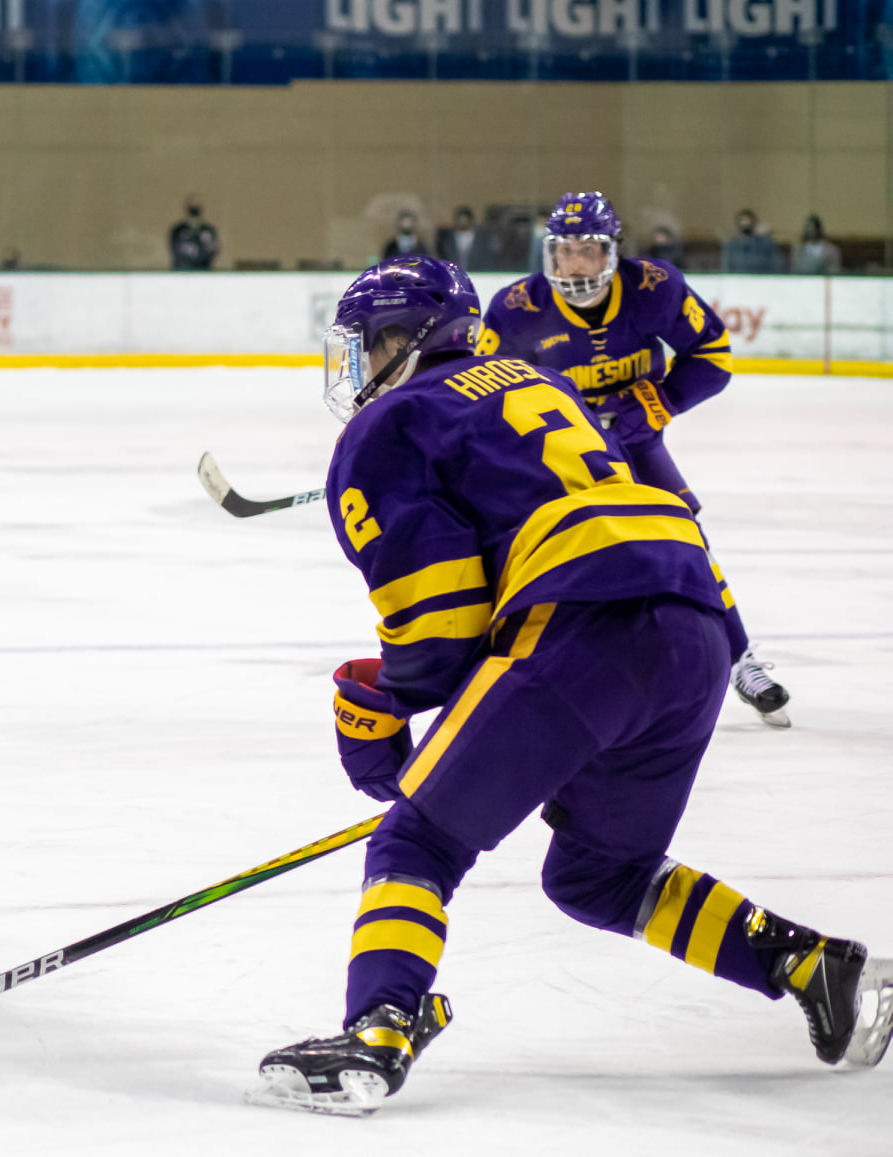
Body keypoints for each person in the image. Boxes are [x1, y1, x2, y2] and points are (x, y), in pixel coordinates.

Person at [246, 256, 893, 1118]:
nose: (358, 366)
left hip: (587, 622)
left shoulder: (387, 426)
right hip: (693, 621)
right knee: (599, 873)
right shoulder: (539, 380)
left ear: (408, 340)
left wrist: (378, 702)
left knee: (418, 840)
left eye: (370, 345)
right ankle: (816, 967)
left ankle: (379, 1027)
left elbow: (438, 632)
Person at [476, 192, 790, 726]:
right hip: (558, 451)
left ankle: (739, 658)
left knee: (684, 539)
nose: (575, 263)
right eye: (564, 251)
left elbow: (712, 356)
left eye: (588, 251)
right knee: (534, 551)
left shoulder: (653, 288)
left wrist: (658, 402)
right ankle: (522, 668)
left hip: (635, 441)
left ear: (612, 252)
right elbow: (483, 391)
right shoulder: (515, 308)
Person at [721, 208, 781, 274]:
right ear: (738, 223)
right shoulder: (732, 245)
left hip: (760, 279)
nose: (745, 223)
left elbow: (775, 264)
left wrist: (766, 237)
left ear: (754, 223)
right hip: (738, 280)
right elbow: (727, 267)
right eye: (742, 220)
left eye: (748, 220)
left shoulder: (764, 244)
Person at [168, 196, 219, 270]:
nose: (194, 208)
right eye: (192, 206)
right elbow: (175, 251)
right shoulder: (178, 230)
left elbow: (213, 251)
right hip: (182, 271)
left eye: (196, 206)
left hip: (203, 272)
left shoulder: (208, 230)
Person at [434, 206, 488, 270]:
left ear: (471, 221)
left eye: (465, 220)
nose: (462, 222)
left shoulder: (482, 239)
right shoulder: (447, 239)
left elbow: (485, 260)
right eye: (460, 220)